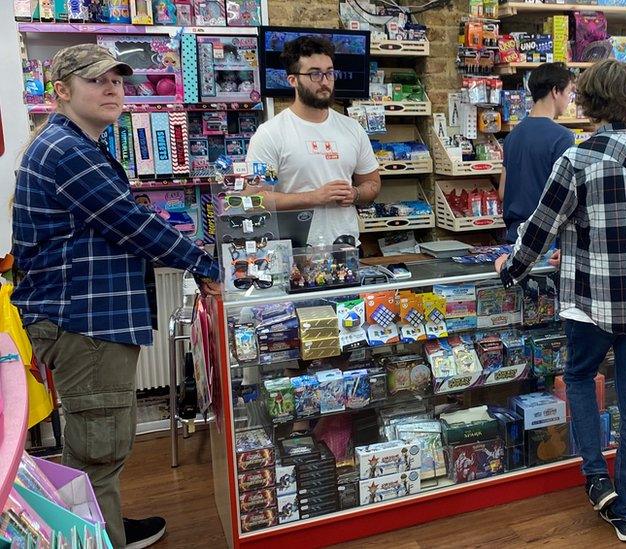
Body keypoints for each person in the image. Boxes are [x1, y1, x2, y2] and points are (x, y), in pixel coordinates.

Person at [12, 44, 223, 549]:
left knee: (98, 443)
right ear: (60, 91)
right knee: (98, 448)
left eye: (118, 81)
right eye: (96, 81)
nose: (112, 89)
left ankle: (107, 527)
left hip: (87, 318)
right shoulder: (67, 151)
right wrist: (205, 264)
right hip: (85, 322)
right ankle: (99, 540)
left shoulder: (76, 144)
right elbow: (130, 224)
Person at [494, 59, 626, 543]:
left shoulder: (578, 159)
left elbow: (539, 230)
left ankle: (595, 477)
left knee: (577, 376)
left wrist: (509, 269)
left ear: (589, 101)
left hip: (592, 300)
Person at [245, 35, 381, 245]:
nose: (325, 82)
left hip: (345, 249)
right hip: (292, 253)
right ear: (293, 80)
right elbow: (255, 198)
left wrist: (354, 193)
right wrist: (313, 197)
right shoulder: (271, 134)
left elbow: (372, 184)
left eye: (329, 73)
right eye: (315, 74)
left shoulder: (352, 129)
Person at [499, 62, 576, 244]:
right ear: (556, 91)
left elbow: (502, 191)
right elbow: (563, 196)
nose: (570, 99)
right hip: (546, 239)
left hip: (514, 235)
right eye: (569, 92)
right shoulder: (562, 137)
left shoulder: (512, 135)